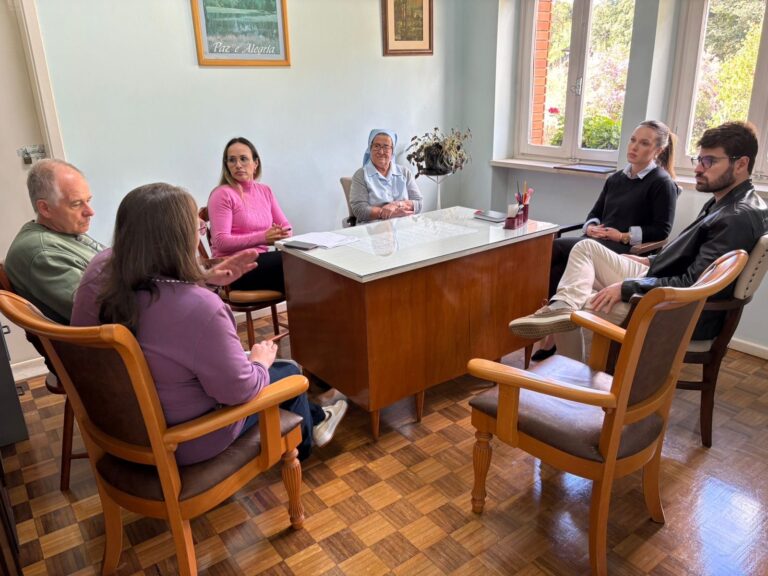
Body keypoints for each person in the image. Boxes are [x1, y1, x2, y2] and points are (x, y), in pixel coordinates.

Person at [71, 183, 347, 464]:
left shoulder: (101, 270)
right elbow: (239, 390)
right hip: (185, 438)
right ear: (178, 238)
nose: (201, 230)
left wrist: (206, 279)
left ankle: (316, 420)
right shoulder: (199, 308)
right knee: (287, 371)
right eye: (197, 227)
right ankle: (306, 442)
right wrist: (259, 362)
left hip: (120, 425)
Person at [510, 121, 768, 356]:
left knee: (581, 302)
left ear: (741, 163)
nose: (699, 169)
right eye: (698, 159)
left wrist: (626, 287)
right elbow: (692, 258)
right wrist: (649, 260)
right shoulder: (726, 202)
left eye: (709, 161)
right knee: (585, 248)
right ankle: (560, 309)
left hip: (675, 311)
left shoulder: (736, 217)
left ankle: (568, 377)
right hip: (656, 276)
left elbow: (693, 283)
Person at [534, 120, 680, 360]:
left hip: (624, 251)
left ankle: (553, 330)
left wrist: (623, 235)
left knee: (559, 247)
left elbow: (661, 231)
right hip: (596, 243)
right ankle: (557, 331)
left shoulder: (661, 183)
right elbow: (594, 214)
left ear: (658, 150)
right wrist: (591, 228)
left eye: (644, 143)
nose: (634, 147)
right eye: (633, 140)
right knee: (557, 256)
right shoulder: (616, 179)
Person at [5, 159, 104, 325]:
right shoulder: (41, 252)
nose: (90, 211)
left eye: (89, 200)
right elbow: (102, 312)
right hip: (111, 344)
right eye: (76, 204)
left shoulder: (64, 231)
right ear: (45, 208)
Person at [208, 137, 292, 293]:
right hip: (235, 269)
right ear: (226, 165)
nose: (238, 165)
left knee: (305, 265)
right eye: (232, 160)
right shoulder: (222, 194)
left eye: (243, 159)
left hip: (262, 262)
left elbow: (287, 228)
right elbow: (220, 241)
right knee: (298, 268)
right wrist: (264, 237)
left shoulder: (265, 191)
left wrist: (280, 234)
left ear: (256, 163)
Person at [349, 129, 423, 224]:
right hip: (373, 230)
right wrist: (390, 213)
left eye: (386, 147)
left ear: (392, 151)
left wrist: (396, 204)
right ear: (370, 149)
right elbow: (360, 210)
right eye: (376, 146)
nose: (381, 151)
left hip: (404, 227)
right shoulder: (361, 175)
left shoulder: (405, 172)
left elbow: (419, 203)